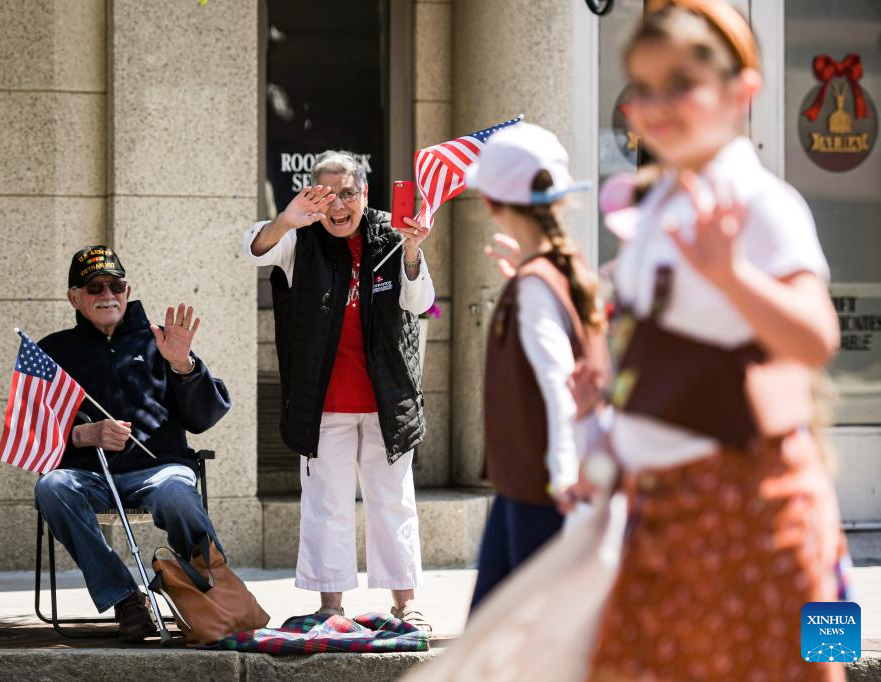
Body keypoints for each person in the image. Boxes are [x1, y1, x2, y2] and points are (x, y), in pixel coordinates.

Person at [584, 1, 847, 679]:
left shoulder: (759, 202)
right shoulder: (661, 205)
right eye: (641, 87)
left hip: (738, 509)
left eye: (679, 82)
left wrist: (730, 274)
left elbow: (815, 337)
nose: (654, 104)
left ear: (742, 91)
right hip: (659, 507)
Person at [242, 150, 435, 631]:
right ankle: (330, 607)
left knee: (393, 503)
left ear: (364, 193)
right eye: (327, 195)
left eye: (347, 193)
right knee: (327, 506)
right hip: (322, 402)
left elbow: (421, 300)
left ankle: (404, 604)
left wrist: (412, 249)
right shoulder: (298, 237)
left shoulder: (393, 233)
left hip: (387, 401)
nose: (338, 205)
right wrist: (286, 218)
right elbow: (252, 249)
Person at [34, 246, 231, 643]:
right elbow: (37, 429)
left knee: (176, 493)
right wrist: (83, 434)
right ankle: (127, 600)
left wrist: (183, 367)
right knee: (51, 488)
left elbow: (205, 418)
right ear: (74, 297)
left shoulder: (159, 340)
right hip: (88, 473)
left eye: (115, 285)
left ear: (128, 290)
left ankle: (211, 590)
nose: (107, 294)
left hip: (160, 468)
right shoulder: (53, 351)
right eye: (94, 287)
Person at [466, 123, 607, 610]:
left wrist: (563, 474)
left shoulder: (535, 286)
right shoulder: (559, 273)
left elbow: (556, 384)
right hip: (528, 490)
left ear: (490, 202)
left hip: (542, 495)